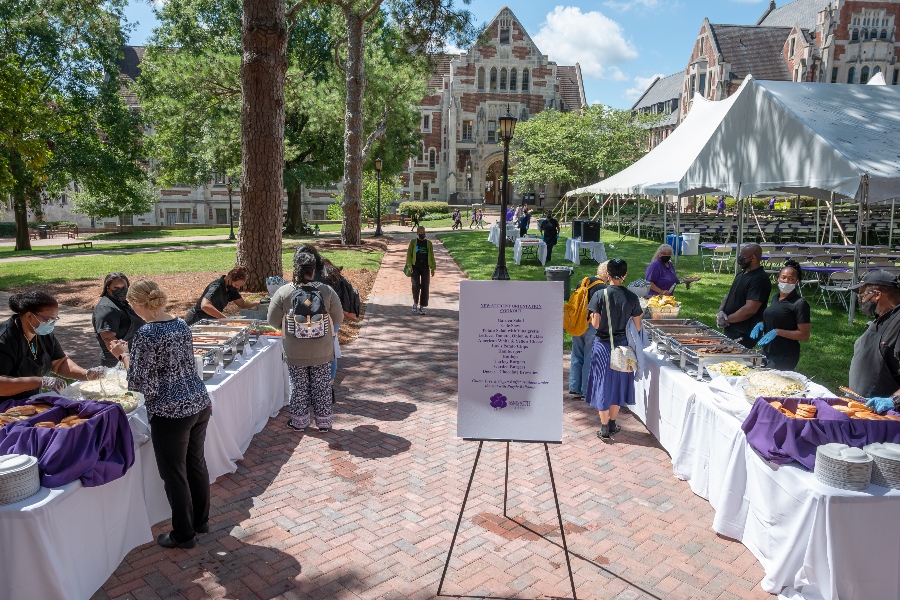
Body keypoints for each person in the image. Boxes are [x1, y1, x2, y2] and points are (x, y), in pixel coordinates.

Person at [110, 281, 211, 550]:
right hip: (198, 402)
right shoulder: (180, 323)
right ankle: (200, 521)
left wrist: (123, 355)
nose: (132, 309)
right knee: (196, 464)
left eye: (132, 304)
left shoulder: (147, 334)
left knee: (175, 474)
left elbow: (141, 384)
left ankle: (184, 534)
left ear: (140, 304)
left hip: (171, 411)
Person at [267, 251, 344, 432]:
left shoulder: (284, 292)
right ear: (314, 269)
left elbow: (271, 320)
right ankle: (324, 423)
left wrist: (289, 326)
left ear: (295, 269)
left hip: (295, 350)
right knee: (322, 386)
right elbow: (338, 316)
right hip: (322, 349)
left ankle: (299, 422)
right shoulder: (326, 291)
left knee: (298, 386)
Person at [0, 291, 104, 400]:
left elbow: (59, 363)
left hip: (31, 400)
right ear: (29, 316)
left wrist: (86, 374)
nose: (52, 323)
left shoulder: (43, 333)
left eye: (55, 319)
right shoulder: (5, 339)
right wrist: (40, 381)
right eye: (48, 319)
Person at [585, 258, 643, 441]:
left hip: (602, 346)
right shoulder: (632, 297)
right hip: (623, 347)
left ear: (607, 274)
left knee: (602, 384)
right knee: (618, 384)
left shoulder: (599, 295)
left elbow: (595, 324)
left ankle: (603, 428)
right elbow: (638, 327)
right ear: (625, 275)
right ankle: (612, 422)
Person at [840, 271, 900, 413]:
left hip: (887, 417)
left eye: (863, 294)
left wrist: (894, 400)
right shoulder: (881, 318)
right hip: (863, 408)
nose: (861, 300)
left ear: (877, 294)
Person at [749, 260, 810, 371]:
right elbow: (778, 317)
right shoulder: (776, 297)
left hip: (784, 355)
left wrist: (778, 332)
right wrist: (762, 323)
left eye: (791, 279)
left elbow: (804, 335)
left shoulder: (799, 304)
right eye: (783, 277)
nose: (786, 281)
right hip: (768, 351)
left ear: (797, 282)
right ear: (778, 278)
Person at [717, 243, 771, 348]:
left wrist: (727, 320)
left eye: (743, 256)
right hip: (731, 328)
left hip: (743, 331)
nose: (740, 258)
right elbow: (730, 294)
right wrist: (721, 311)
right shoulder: (742, 274)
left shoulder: (759, 279)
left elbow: (750, 309)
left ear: (753, 258)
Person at [569, 261, 608, 399]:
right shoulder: (603, 288)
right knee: (589, 358)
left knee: (576, 356)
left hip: (577, 323)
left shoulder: (583, 281)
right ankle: (586, 391)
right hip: (592, 326)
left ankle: (574, 388)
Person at [92, 272, 145, 368]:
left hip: (133, 359)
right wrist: (125, 360)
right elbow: (109, 339)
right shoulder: (106, 308)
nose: (120, 291)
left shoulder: (120, 303)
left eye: (124, 287)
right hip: (117, 365)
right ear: (107, 288)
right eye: (116, 288)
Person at [320, 260, 359, 386]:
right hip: (335, 316)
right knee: (332, 347)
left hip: (326, 316)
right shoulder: (335, 275)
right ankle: (330, 379)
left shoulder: (321, 280)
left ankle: (326, 379)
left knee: (328, 348)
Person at [185, 265, 262, 324]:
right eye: (236, 285)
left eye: (239, 286)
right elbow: (205, 306)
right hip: (196, 319)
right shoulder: (217, 287)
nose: (237, 288)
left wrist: (260, 302)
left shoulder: (231, 288)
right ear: (229, 278)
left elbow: (242, 304)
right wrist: (226, 319)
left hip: (210, 320)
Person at [406, 226, 436, 315]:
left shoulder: (428, 243)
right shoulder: (413, 242)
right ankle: (415, 303)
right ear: (417, 233)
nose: (422, 234)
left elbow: (432, 256)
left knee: (425, 286)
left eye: (423, 233)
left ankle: (422, 307)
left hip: (425, 267)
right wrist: (410, 266)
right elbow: (409, 255)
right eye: (420, 233)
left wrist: (433, 268)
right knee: (415, 285)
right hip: (415, 266)